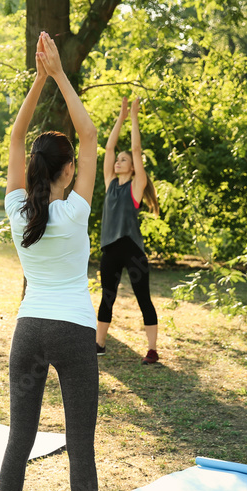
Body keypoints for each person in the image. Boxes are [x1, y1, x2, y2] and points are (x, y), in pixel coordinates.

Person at [0, 32, 128, 491]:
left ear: (34, 170)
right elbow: (92, 132)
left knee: (19, 438)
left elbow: (15, 135)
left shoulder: (16, 207)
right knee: (81, 445)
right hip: (73, 334)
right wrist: (59, 76)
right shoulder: (75, 210)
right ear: (69, 170)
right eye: (74, 163)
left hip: (28, 333)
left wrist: (38, 80)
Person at [97, 97, 160, 364]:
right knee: (106, 297)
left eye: (124, 160)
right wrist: (119, 118)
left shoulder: (135, 187)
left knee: (143, 299)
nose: (118, 161)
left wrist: (133, 117)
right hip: (111, 249)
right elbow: (109, 147)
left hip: (132, 251)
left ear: (133, 168)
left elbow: (136, 148)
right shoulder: (110, 183)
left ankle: (153, 350)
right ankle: (99, 345)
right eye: (118, 160)